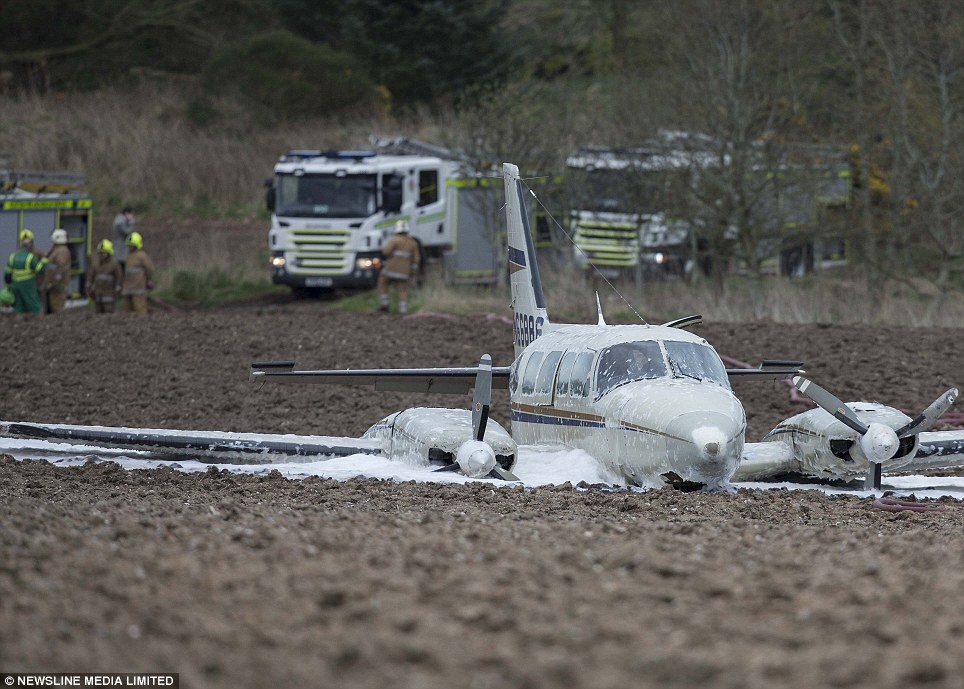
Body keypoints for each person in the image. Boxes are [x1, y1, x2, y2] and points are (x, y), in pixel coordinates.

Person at [377, 220, 420, 314]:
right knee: (402, 289)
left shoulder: (394, 240)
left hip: (390, 270)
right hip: (404, 272)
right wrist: (413, 272)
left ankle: (384, 304)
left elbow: (386, 251)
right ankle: (402, 310)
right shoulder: (412, 243)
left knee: (383, 282)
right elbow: (416, 259)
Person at [4, 229, 47, 314]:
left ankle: (21, 319)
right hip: (30, 284)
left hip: (20, 284)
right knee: (33, 304)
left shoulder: (14, 255)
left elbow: (8, 272)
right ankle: (36, 319)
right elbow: (41, 268)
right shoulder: (31, 255)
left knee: (20, 305)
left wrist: (8, 284)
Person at [86, 239, 123, 313]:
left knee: (108, 315)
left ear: (109, 253)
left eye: (104, 252)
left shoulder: (114, 265)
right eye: (100, 252)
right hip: (98, 295)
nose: (102, 254)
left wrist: (117, 291)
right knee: (98, 314)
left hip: (109, 295)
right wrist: (88, 288)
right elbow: (90, 276)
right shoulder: (96, 265)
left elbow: (119, 278)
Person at [121, 231, 154, 315]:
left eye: (131, 244)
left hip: (138, 288)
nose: (129, 246)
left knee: (140, 311)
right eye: (128, 244)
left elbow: (149, 269)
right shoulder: (128, 256)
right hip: (128, 288)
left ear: (136, 245)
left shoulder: (142, 256)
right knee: (127, 312)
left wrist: (148, 280)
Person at [45, 228, 72, 314]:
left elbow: (60, 268)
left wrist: (54, 283)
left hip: (58, 288)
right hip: (55, 287)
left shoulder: (61, 251)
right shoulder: (57, 249)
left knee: (57, 310)